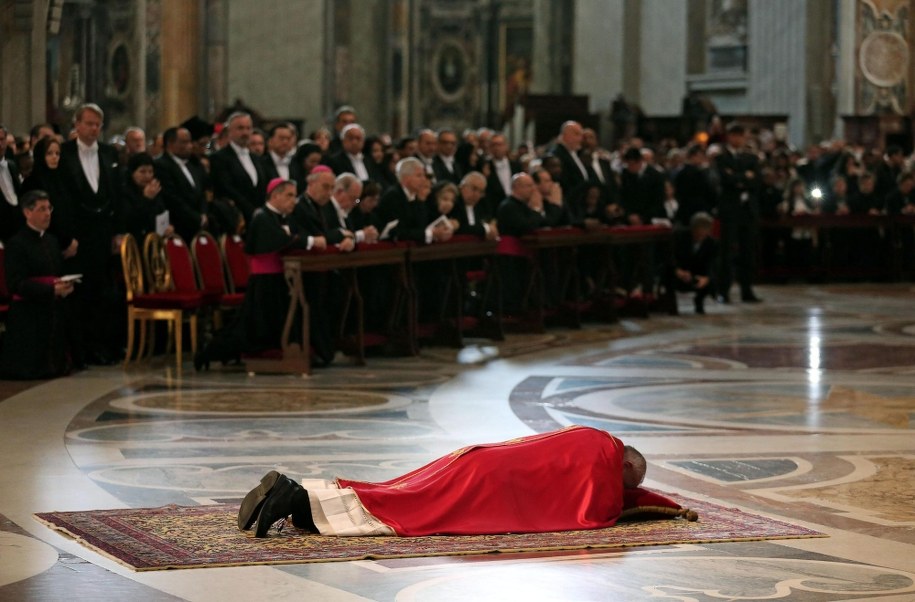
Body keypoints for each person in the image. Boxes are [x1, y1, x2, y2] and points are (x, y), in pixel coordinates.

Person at [238, 425, 647, 538]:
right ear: (625, 465)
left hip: (480, 459)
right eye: (626, 483)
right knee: (407, 513)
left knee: (397, 492)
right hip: (491, 484)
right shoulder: (604, 459)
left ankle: (301, 500)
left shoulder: (592, 436)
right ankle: (294, 499)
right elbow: (596, 509)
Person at [194, 178, 322, 370]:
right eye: (289, 196)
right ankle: (209, 353)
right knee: (250, 329)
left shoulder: (282, 218)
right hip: (264, 282)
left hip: (279, 279)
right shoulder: (262, 217)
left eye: (295, 196)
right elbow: (282, 240)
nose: (293, 201)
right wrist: (310, 241)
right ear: (275, 196)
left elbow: (295, 236)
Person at [57, 103, 124, 366]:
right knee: (80, 292)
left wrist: (117, 232)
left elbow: (116, 193)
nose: (94, 129)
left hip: (103, 231)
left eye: (98, 124)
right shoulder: (64, 153)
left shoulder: (109, 153)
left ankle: (102, 346)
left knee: (103, 291)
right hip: (78, 233)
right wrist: (67, 236)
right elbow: (62, 196)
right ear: (77, 124)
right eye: (89, 123)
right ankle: (81, 349)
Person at [0, 190, 75, 378]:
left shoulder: (52, 241)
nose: (47, 213)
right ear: (27, 212)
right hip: (29, 310)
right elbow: (16, 284)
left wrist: (64, 285)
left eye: (49, 208)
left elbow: (56, 273)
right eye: (42, 209)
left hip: (51, 305)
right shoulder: (17, 244)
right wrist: (50, 290)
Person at [672, 212, 717, 314]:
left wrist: (706, 278)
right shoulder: (679, 236)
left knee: (712, 279)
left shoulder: (711, 243)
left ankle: (699, 301)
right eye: (698, 232)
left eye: (704, 232)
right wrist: (678, 271)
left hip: (696, 274)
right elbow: (671, 257)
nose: (701, 236)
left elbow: (711, 263)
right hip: (679, 271)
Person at [123, 152, 172, 243]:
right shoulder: (125, 192)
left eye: (150, 172)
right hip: (135, 242)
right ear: (132, 173)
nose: (147, 176)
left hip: (155, 241)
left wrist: (167, 227)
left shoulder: (154, 189)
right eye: (142, 172)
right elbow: (131, 221)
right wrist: (146, 199)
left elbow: (162, 213)